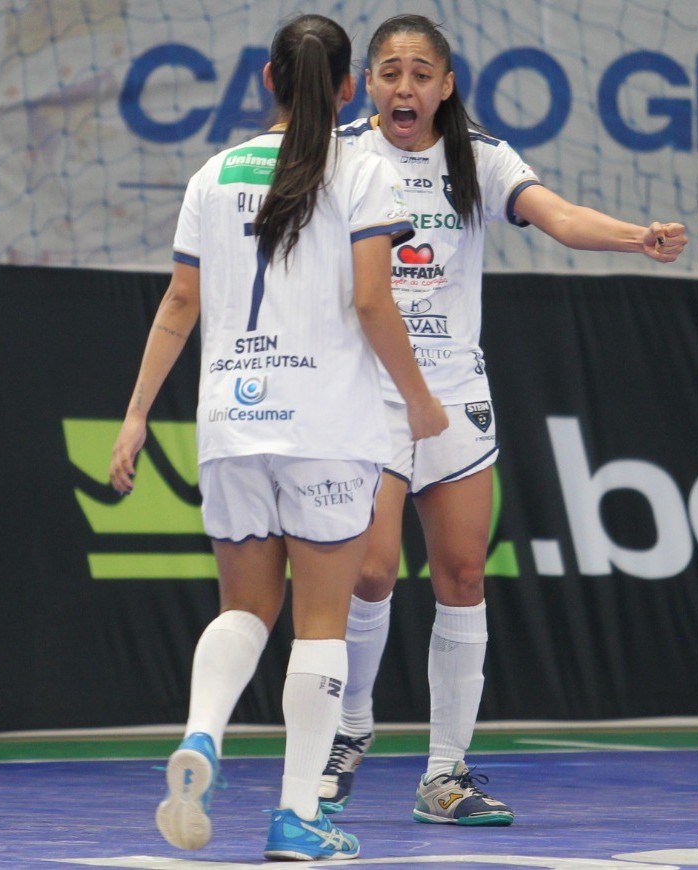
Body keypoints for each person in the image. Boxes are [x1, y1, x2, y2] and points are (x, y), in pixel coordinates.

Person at [320, 14, 689, 826]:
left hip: (454, 396)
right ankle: (348, 729)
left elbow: (555, 215)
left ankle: (445, 775)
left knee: (461, 578)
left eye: (421, 73)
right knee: (373, 570)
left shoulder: (478, 158)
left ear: (446, 86)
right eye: (389, 72)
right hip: (369, 395)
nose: (405, 87)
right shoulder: (342, 155)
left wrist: (639, 238)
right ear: (370, 84)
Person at [108, 13, 448, 862]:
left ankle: (202, 734)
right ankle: (298, 817)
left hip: (230, 423)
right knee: (322, 624)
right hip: (325, 426)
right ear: (347, 88)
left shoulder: (213, 174)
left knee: (244, 609)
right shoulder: (363, 172)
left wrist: (137, 413)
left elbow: (178, 306)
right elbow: (374, 303)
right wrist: (419, 401)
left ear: (266, 79)